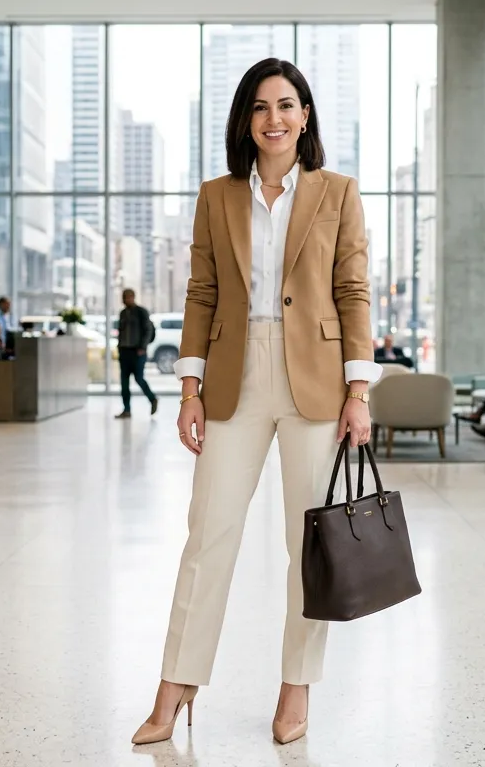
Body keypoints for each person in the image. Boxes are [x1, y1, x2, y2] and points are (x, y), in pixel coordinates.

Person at [133, 58, 380, 748]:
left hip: (318, 380)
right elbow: (201, 293)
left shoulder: (337, 192)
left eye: (288, 104)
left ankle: (296, 683)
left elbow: (354, 291)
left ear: (305, 117)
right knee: (208, 533)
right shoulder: (218, 197)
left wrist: (358, 391)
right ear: (246, 119)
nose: (275, 118)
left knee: (310, 542)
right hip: (235, 374)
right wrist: (188, 387)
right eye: (261, 106)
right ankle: (176, 683)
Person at [115, 288, 158, 419]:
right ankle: (126, 409)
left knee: (139, 378)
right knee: (124, 382)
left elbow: (148, 330)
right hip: (124, 351)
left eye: (128, 297)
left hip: (137, 352)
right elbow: (121, 331)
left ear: (133, 297)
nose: (126, 299)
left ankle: (152, 399)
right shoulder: (122, 313)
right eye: (124, 297)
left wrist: (142, 347)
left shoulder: (141, 312)